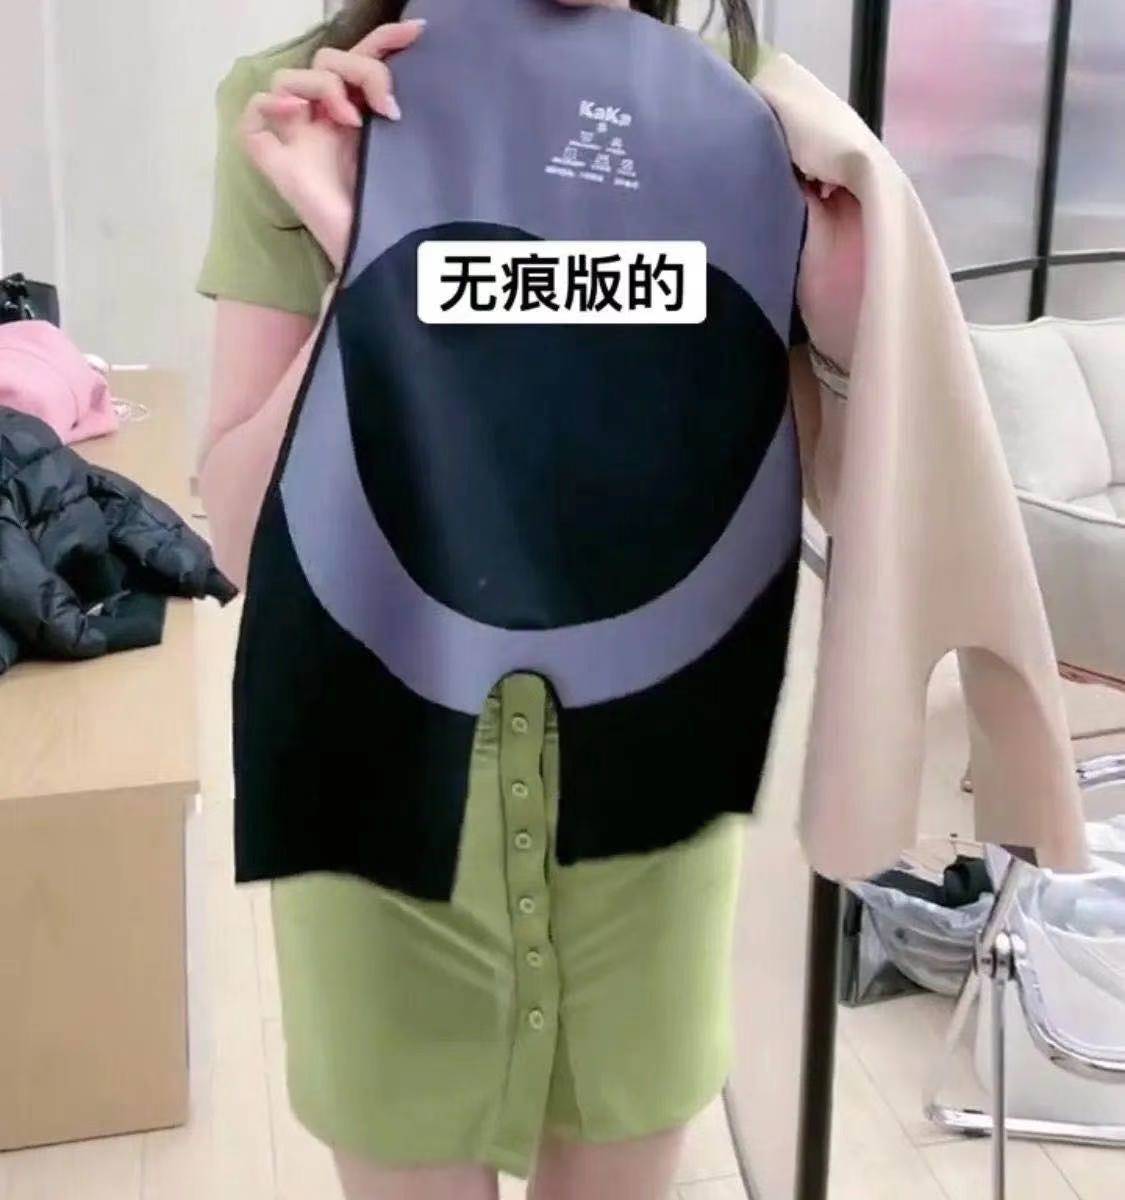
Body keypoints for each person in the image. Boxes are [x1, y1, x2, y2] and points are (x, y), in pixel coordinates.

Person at [197, 3, 860, 1198]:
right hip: (378, 794)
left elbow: (842, 504)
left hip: (646, 794)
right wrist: (371, 259)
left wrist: (849, 308)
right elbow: (246, 540)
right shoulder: (301, 108)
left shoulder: (744, 118)